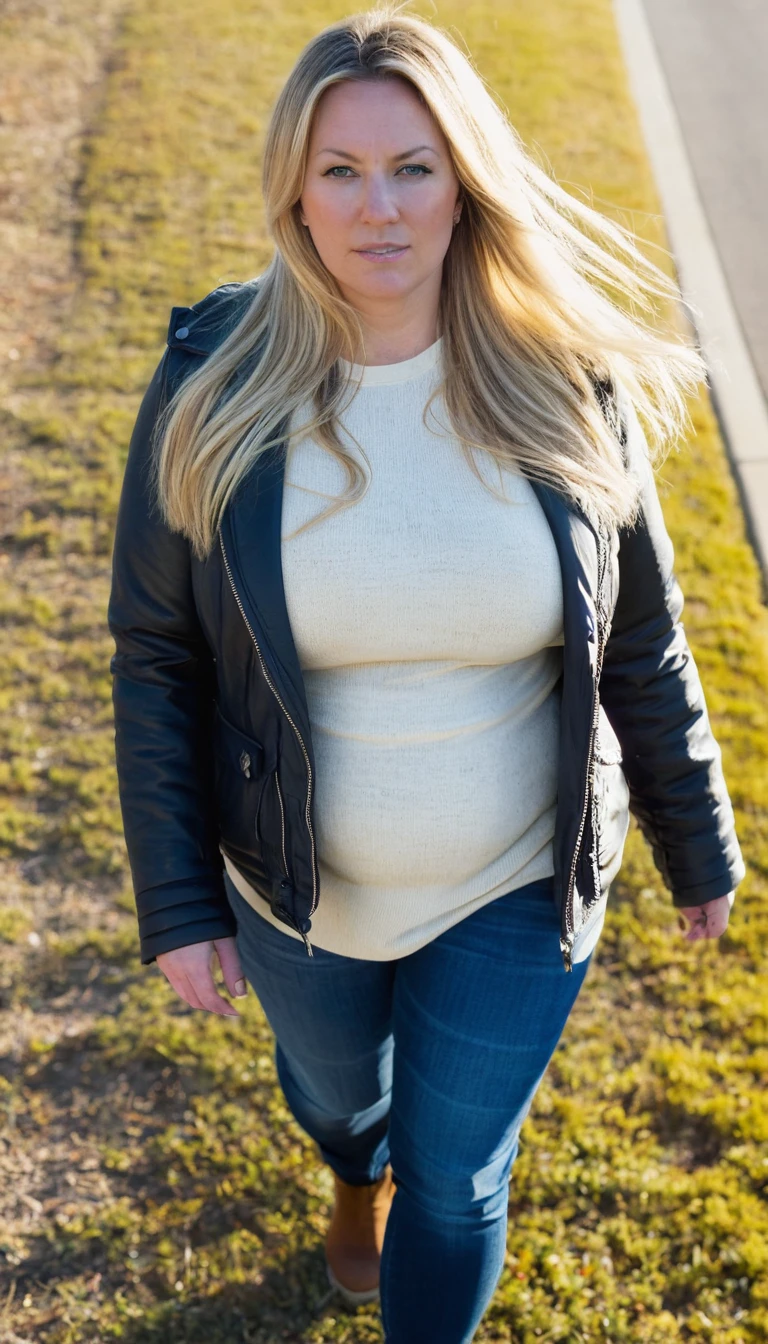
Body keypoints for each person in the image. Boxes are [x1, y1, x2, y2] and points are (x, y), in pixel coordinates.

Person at [107, 5, 745, 1340]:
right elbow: (158, 654)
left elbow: (638, 634)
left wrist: (697, 833)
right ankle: (351, 1168)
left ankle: (406, 1199)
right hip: (295, 889)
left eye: (414, 167)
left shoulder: (560, 381)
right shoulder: (214, 381)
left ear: (467, 183)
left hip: (514, 877)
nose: (378, 208)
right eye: (341, 169)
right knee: (341, 1098)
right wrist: (177, 903)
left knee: (454, 1182)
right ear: (292, 185)